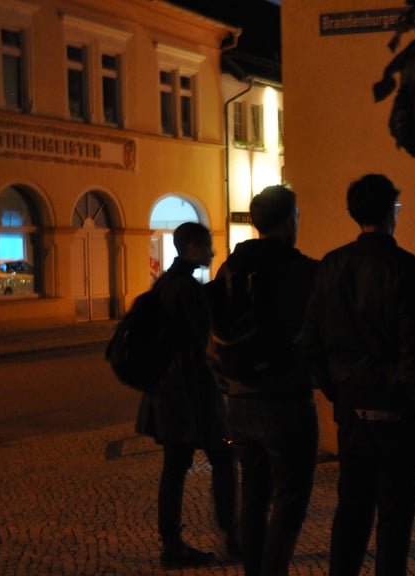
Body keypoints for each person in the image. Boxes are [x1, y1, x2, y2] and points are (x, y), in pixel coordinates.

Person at [302, 173, 415, 576]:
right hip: (400, 415)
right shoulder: (408, 268)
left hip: (353, 410)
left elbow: (311, 342)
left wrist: (337, 389)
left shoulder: (331, 266)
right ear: (390, 213)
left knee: (351, 514)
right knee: (394, 523)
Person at [209, 185, 319, 576]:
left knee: (253, 494)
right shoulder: (302, 271)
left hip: (238, 402)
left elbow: (215, 334)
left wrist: (227, 383)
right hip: (287, 401)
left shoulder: (230, 268)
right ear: (289, 222)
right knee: (290, 498)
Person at [134, 222, 238, 569]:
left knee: (175, 467)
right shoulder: (186, 289)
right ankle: (228, 536)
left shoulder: (166, 284)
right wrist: (220, 380)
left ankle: (172, 544)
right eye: (207, 245)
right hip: (189, 393)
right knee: (222, 457)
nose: (212, 252)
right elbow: (198, 344)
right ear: (192, 247)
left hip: (168, 392)